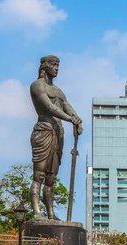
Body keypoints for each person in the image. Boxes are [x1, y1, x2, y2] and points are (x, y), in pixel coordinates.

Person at [29, 55, 82, 219]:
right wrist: (69, 119)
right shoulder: (37, 86)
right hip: (44, 129)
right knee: (39, 174)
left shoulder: (58, 91)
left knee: (51, 177)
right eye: (54, 65)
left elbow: (66, 106)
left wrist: (76, 118)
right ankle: (37, 211)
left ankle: (51, 213)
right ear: (44, 67)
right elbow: (49, 106)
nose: (57, 68)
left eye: (58, 65)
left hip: (58, 132)